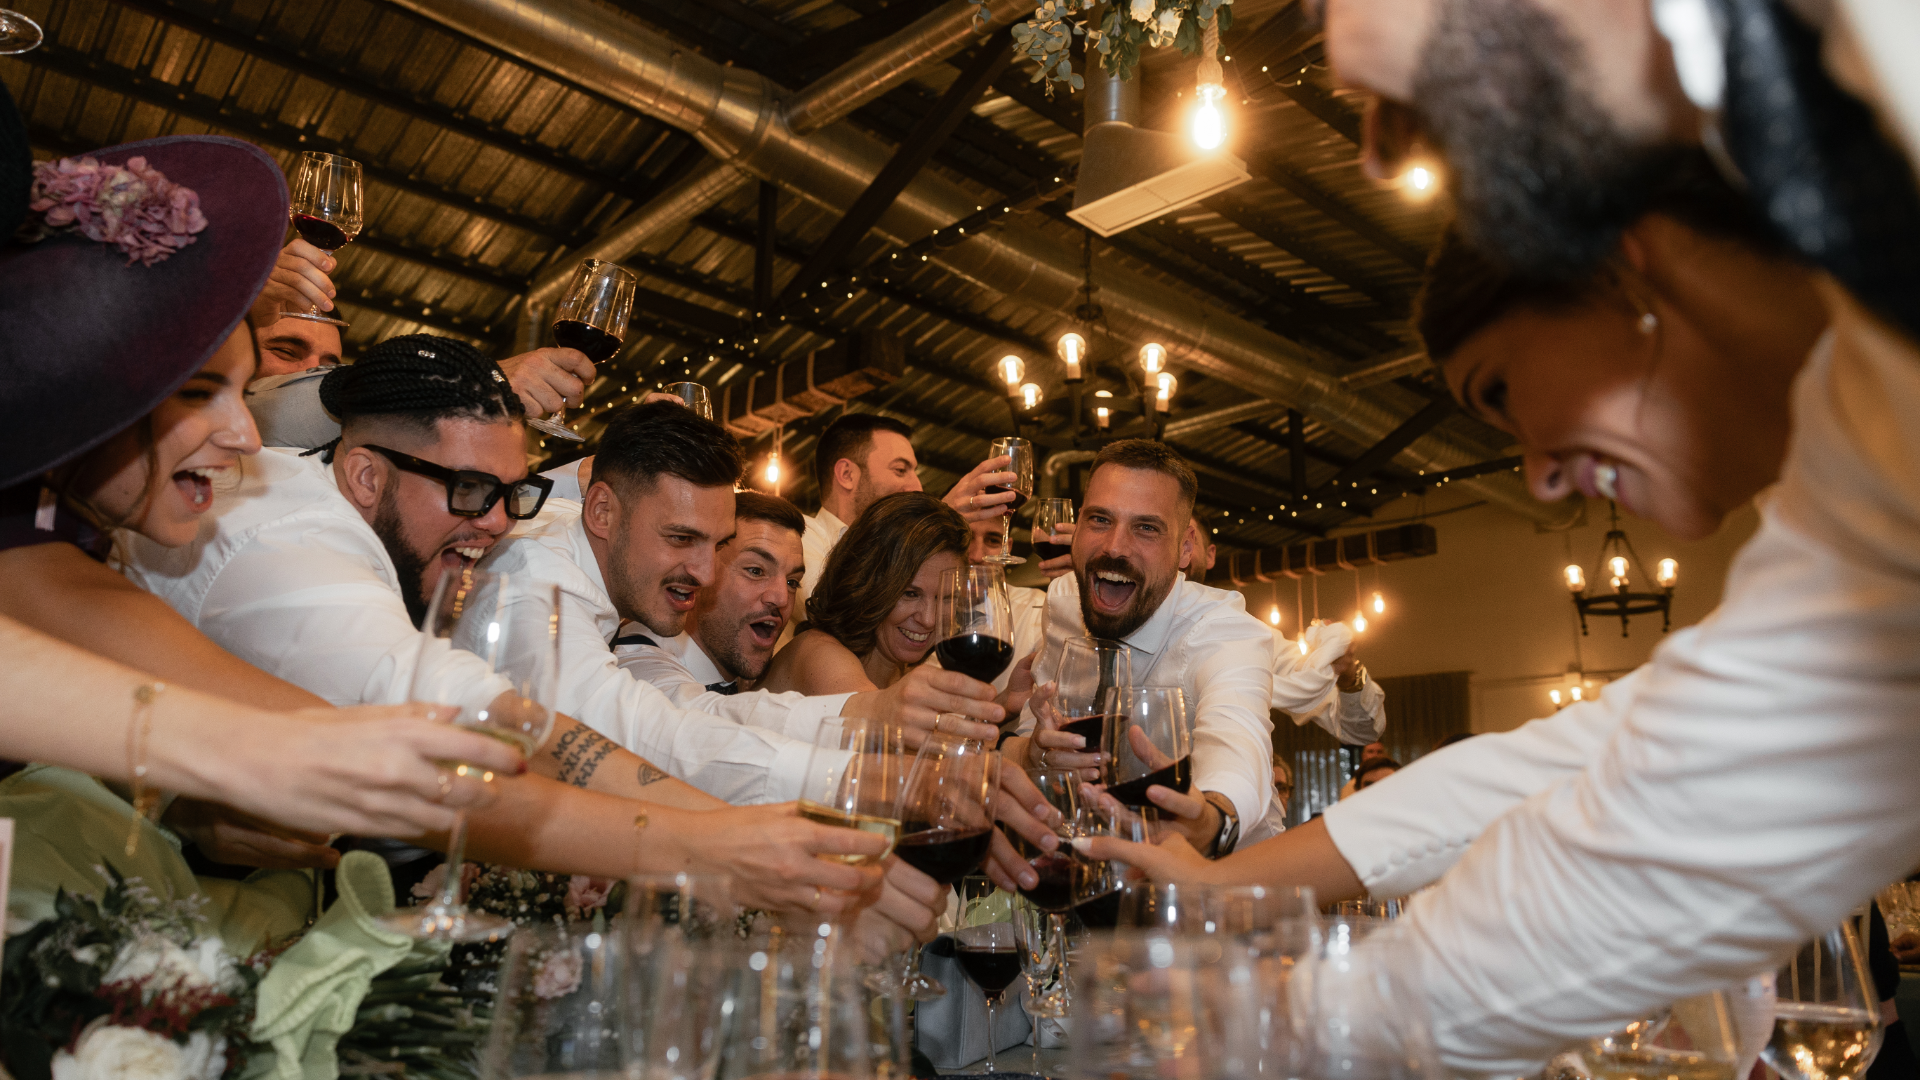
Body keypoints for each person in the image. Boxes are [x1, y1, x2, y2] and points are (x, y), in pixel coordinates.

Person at [1082, 163, 1866, 1070]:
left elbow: (1653, 802)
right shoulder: (1835, 511)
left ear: (1638, 282)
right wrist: (1227, 884)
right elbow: (1549, 767)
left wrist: (1303, 995)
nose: (1534, 474)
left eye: (1505, 391)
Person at [118, 333, 900, 915]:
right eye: (467, 490)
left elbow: (576, 722)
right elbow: (456, 731)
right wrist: (736, 845)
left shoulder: (409, 535)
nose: (495, 523)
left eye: (509, 493)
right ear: (364, 475)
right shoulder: (294, 543)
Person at [0, 129, 521, 856]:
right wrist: (683, 842)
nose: (248, 435)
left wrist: (182, 814)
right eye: (200, 390)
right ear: (86, 379)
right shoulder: (25, 541)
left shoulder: (76, 519)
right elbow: (278, 734)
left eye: (243, 392)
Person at [485, 400, 1004, 805]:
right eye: (682, 538)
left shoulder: (590, 576)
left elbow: (700, 712)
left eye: (716, 545)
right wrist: (854, 774)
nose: (705, 573)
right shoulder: (538, 574)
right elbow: (634, 733)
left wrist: (871, 711)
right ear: (601, 511)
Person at [1019, 440, 1275, 857]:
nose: (1115, 547)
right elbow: (1037, 737)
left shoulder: (1224, 632)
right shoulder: (1064, 601)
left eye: (1146, 528)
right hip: (1093, 875)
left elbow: (1238, 747)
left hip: (1221, 888)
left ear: (1186, 547)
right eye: (1099, 519)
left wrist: (1209, 819)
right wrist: (1038, 750)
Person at [796, 413, 1024, 624]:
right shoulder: (799, 538)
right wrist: (934, 521)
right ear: (847, 474)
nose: (917, 486)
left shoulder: (906, 554)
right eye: (900, 470)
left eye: (915, 472)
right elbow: (830, 613)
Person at [762, 491, 976, 697]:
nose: (929, 620)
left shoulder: (903, 674)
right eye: (910, 594)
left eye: (946, 598)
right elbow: (879, 728)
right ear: (864, 584)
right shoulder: (819, 654)